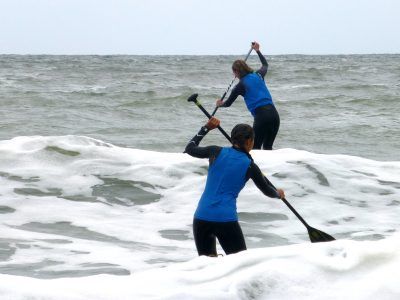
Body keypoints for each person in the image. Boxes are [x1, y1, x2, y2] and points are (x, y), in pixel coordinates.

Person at [184, 116, 285, 256]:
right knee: (240, 265)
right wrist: (277, 194)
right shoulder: (250, 166)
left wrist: (206, 127)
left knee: (206, 267)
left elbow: (189, 148)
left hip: (201, 217)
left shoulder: (215, 151)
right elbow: (267, 190)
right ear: (249, 141)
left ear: (233, 140)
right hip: (225, 220)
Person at [216, 41, 280, 150]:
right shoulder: (259, 74)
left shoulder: (240, 86)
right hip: (274, 115)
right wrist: (258, 50)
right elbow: (265, 65)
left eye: (234, 72)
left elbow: (228, 104)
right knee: (268, 148)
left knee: (255, 148)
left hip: (262, 117)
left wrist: (220, 104)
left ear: (236, 72)